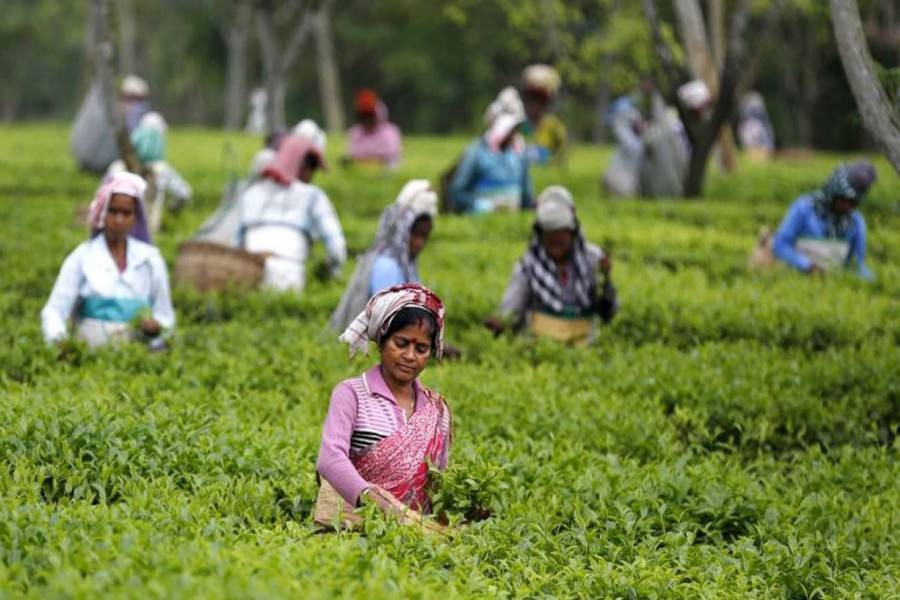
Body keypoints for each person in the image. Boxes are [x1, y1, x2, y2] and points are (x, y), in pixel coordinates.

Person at [316, 284, 452, 528]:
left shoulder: (437, 409)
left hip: (418, 535)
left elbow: (440, 482)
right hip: (357, 528)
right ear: (381, 342)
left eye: (421, 348)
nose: (410, 356)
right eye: (401, 343)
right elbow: (330, 459)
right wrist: (373, 500)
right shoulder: (351, 394)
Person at [41, 172, 174, 350]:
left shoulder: (150, 259)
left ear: (136, 217)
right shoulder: (83, 257)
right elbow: (54, 310)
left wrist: (156, 327)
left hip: (138, 354)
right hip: (91, 354)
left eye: (126, 213)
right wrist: (60, 342)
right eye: (113, 211)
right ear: (102, 213)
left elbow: (165, 316)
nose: (119, 220)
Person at [484, 186, 617, 346]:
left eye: (561, 232)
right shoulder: (528, 266)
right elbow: (512, 307)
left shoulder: (593, 259)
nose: (555, 239)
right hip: (541, 348)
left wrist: (606, 288)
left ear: (572, 231)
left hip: (586, 347)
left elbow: (608, 314)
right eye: (549, 234)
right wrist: (501, 322)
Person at [237, 134, 346, 293]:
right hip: (289, 275)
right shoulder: (313, 196)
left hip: (249, 274)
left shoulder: (250, 194)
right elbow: (336, 247)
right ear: (303, 167)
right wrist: (332, 275)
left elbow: (237, 244)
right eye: (312, 169)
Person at [329, 180, 438, 332]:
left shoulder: (406, 264)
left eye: (424, 237)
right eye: (415, 235)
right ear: (402, 231)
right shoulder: (387, 266)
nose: (419, 243)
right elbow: (390, 320)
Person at [770, 161, 877, 279]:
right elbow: (780, 245)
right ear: (833, 193)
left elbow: (857, 264)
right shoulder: (804, 209)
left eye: (853, 202)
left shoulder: (855, 222)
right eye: (843, 200)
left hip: (834, 281)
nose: (847, 206)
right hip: (796, 278)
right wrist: (807, 266)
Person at [107, 112, 193, 233]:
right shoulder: (162, 169)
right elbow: (184, 193)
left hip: (118, 229)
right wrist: (172, 210)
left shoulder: (119, 166)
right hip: (143, 232)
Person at [448, 112, 534, 213]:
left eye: (516, 131)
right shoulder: (476, 152)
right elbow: (457, 191)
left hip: (512, 215)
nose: (514, 136)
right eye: (511, 132)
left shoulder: (519, 155)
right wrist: (481, 206)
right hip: (479, 214)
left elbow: (526, 193)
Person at [520, 64, 567, 165]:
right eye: (531, 99)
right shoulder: (520, 125)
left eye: (540, 101)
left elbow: (561, 154)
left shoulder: (553, 126)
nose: (534, 105)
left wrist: (553, 162)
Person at [346, 89, 402, 168]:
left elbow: (391, 158)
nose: (367, 120)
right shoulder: (355, 133)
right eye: (363, 116)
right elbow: (351, 156)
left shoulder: (389, 133)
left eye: (370, 116)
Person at [738, 91, 775, 161]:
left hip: (761, 149)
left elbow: (768, 142)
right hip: (754, 149)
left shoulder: (760, 126)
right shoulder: (748, 126)